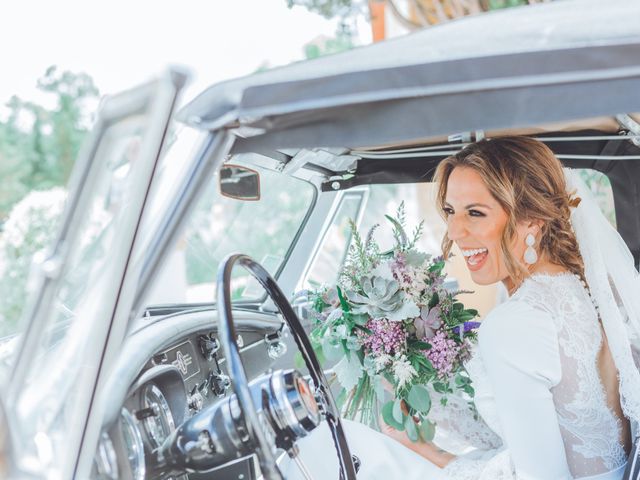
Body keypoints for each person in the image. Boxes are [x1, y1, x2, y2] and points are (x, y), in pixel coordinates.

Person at [286, 137, 640, 480]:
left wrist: (423, 449)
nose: (455, 231)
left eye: (475, 213)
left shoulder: (515, 322)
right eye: (451, 211)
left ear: (531, 219)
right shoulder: (590, 287)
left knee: (327, 446)